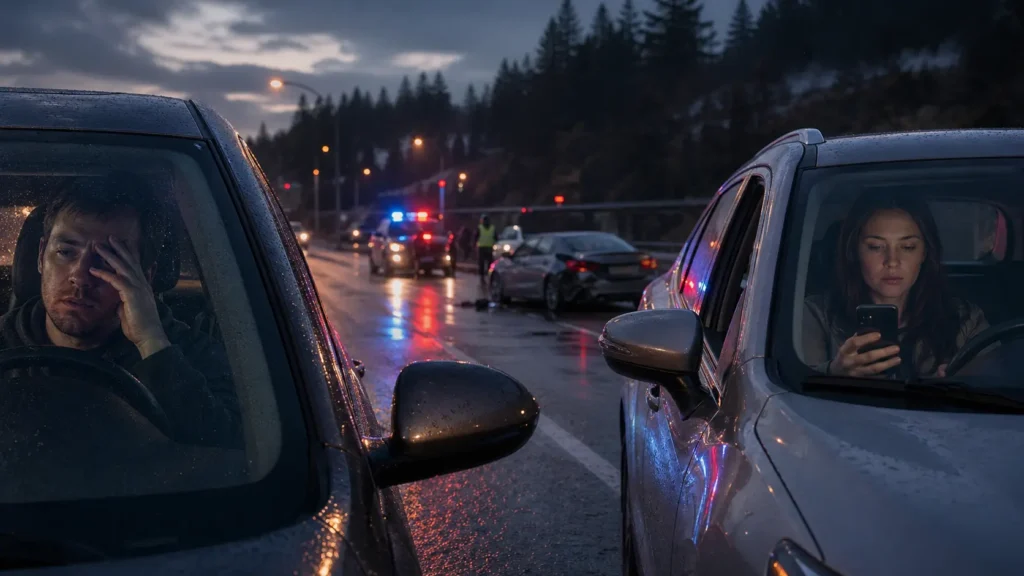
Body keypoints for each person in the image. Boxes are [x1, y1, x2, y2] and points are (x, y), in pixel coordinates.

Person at [0, 174, 242, 448]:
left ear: (144, 277)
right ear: (41, 255)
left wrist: (152, 343)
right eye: (66, 252)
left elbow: (229, 453)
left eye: (108, 259)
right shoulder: (3, 342)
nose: (80, 277)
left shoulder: (197, 356)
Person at [803, 191, 989, 379]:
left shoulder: (964, 319)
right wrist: (834, 373)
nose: (892, 261)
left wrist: (964, 385)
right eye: (876, 247)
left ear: (924, 253)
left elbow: (997, 379)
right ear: (854, 251)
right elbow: (791, 392)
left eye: (908, 247)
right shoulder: (817, 315)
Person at [475, 214, 496, 278]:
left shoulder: (480, 228)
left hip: (482, 248)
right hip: (489, 248)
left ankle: (482, 277)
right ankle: (490, 277)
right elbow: (496, 237)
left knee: (482, 264)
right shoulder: (492, 228)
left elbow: (476, 237)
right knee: (490, 264)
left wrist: (475, 245)